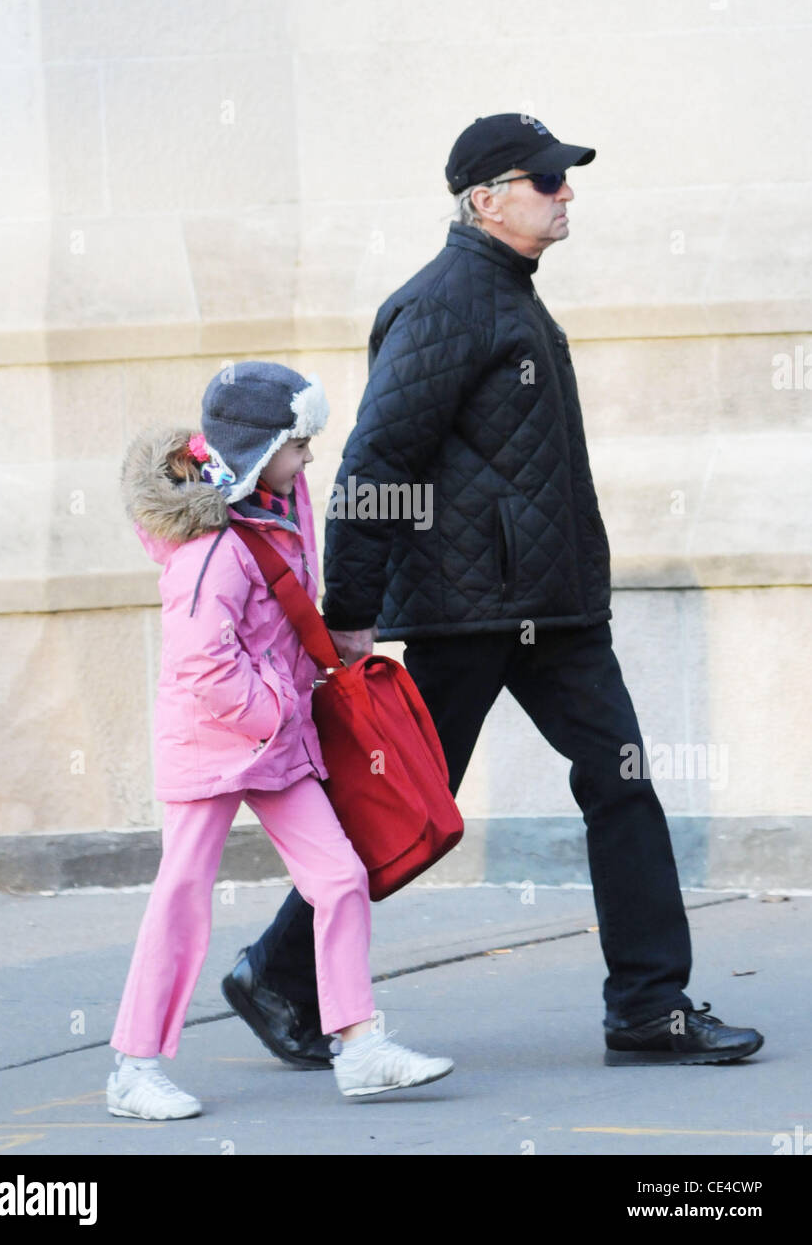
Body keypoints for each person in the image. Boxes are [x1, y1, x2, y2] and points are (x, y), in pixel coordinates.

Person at [222, 114, 764, 1070]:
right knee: (399, 804)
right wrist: (348, 611)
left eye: (565, 179)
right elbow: (378, 459)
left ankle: (650, 1006)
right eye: (546, 179)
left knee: (623, 784)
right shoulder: (443, 305)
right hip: (465, 615)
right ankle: (279, 971)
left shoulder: (509, 294)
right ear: (485, 198)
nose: (565, 193)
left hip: (553, 614)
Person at [106, 360, 453, 1119]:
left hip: (276, 739)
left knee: (338, 880)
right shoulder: (212, 548)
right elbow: (203, 664)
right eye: (300, 443)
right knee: (182, 899)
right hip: (214, 743)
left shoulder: (278, 501)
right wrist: (276, 707)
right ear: (261, 448)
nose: (311, 458)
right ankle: (135, 1067)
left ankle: (358, 1047)